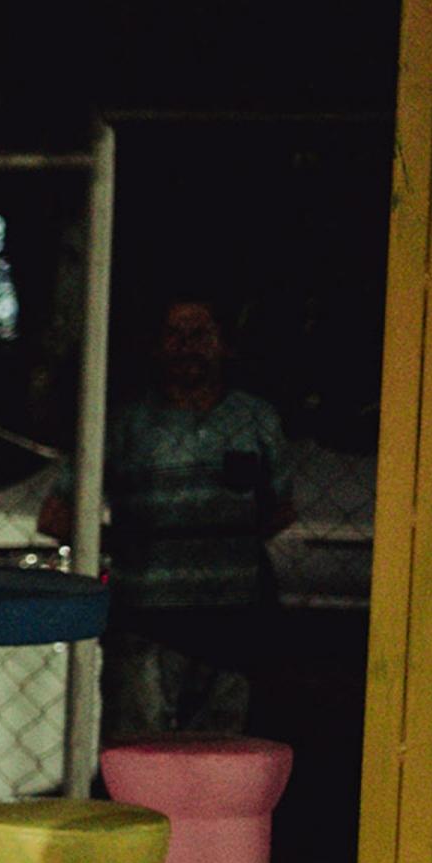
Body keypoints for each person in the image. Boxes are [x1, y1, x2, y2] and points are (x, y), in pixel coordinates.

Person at [71, 295, 294, 736]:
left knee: (221, 756)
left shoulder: (255, 419)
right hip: (145, 621)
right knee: (141, 749)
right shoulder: (124, 425)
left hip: (232, 618)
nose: (186, 345)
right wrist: (135, 546)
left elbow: (281, 508)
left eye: (200, 334)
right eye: (174, 334)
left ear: (224, 346)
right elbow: (60, 513)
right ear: (156, 347)